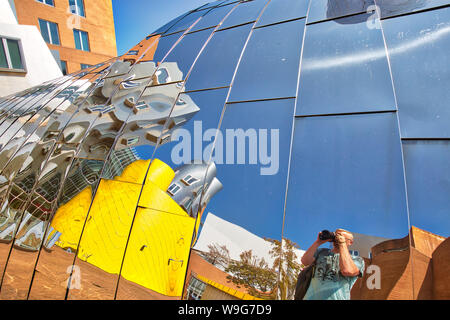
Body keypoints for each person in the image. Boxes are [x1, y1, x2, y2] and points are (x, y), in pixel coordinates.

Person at [300, 229, 365, 300]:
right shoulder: (321, 252)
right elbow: (305, 261)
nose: (337, 238)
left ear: (350, 242)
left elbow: (347, 270)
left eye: (342, 237)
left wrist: (342, 244)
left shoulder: (357, 260)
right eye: (336, 236)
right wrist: (318, 242)